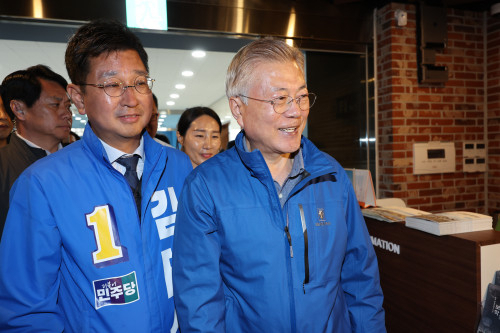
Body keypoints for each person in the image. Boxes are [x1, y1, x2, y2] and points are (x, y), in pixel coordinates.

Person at [173, 38, 386, 332]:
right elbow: (199, 302)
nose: (296, 112)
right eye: (279, 99)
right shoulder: (206, 187)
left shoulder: (331, 176)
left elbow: (361, 279)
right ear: (238, 108)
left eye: (301, 97)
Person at [0, 19, 192, 332]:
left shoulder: (180, 167)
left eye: (140, 82)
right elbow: (27, 312)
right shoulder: (42, 185)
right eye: (111, 85)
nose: (131, 98)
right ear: (78, 98)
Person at [0, 65, 71, 232]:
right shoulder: (3, 166)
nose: (67, 114)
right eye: (55, 105)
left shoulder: (86, 161)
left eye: (68, 106)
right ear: (19, 110)